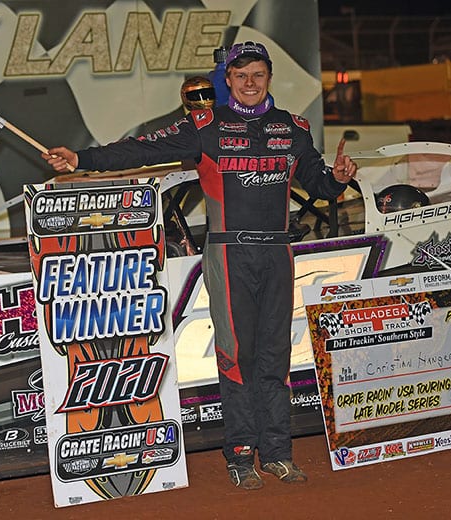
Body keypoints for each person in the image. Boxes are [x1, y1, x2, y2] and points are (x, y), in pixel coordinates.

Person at [43, 41, 358, 490]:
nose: (250, 83)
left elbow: (320, 187)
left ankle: (278, 453)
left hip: (276, 252)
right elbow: (140, 151)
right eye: (241, 75)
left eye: (258, 75)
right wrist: (82, 159)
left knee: (275, 357)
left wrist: (338, 179)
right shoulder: (205, 126)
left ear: (269, 78)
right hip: (228, 253)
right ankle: (241, 455)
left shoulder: (293, 128)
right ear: (226, 80)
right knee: (236, 355)